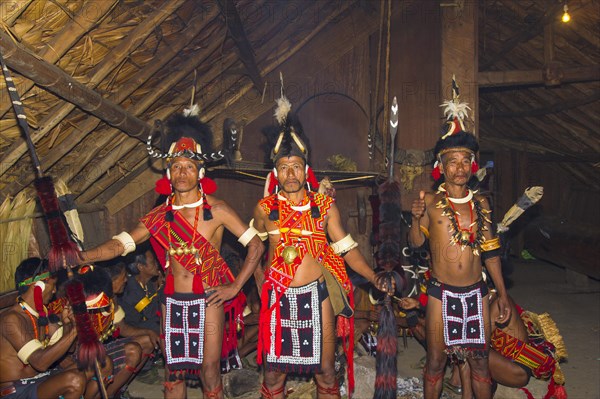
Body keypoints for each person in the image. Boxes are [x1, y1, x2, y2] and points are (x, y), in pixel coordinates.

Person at [80, 109, 264, 399]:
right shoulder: (158, 216)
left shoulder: (217, 210)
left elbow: (256, 245)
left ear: (201, 173)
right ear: (168, 172)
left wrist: (235, 286)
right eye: (176, 166)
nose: (182, 172)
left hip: (210, 298)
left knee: (209, 372)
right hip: (173, 300)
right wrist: (82, 257)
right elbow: (119, 245)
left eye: (189, 167)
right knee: (173, 373)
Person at [253, 94, 388, 398]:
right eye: (284, 167)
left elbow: (348, 250)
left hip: (318, 294)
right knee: (274, 374)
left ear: (306, 169)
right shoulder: (264, 208)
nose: (291, 174)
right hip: (278, 297)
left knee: (326, 369)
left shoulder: (324, 207)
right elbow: (253, 249)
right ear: (275, 172)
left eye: (296, 166)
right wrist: (260, 281)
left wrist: (373, 276)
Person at [408, 81, 510, 399]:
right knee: (436, 363)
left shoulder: (481, 204)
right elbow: (415, 245)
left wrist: (502, 294)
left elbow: (490, 251)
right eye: (452, 161)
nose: (460, 168)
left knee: (480, 364)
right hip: (441, 294)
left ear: (473, 165)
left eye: (465, 161)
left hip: (478, 293)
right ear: (441, 166)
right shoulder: (431, 202)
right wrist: (414, 218)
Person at [0, 258, 88, 399]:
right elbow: (40, 362)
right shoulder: (11, 319)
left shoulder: (41, 314)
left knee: (91, 368)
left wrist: (68, 325)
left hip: (39, 380)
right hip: (16, 391)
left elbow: (68, 349)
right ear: (38, 285)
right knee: (74, 381)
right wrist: (75, 330)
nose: (54, 291)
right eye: (53, 285)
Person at [121, 249, 161, 333]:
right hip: (134, 328)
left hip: (145, 323)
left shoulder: (148, 283)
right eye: (153, 262)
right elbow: (151, 312)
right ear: (141, 267)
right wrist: (161, 288)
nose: (157, 264)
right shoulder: (132, 288)